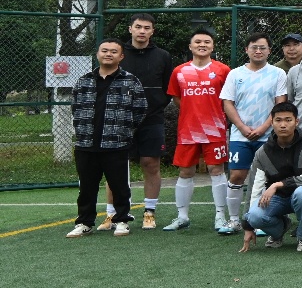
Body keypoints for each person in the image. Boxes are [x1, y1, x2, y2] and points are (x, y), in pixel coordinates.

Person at [66, 38, 148, 239]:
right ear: (97, 54)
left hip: (116, 143)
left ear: (121, 56)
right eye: (104, 50)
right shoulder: (84, 80)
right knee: (86, 188)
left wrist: (124, 131)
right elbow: (75, 108)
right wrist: (82, 131)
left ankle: (121, 221)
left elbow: (140, 109)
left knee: (120, 186)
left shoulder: (131, 81)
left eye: (113, 51)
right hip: (86, 144)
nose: (108, 54)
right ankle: (85, 223)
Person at [101, 13, 173, 231]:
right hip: (119, 120)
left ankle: (149, 212)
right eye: (138, 27)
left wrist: (155, 105)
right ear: (130, 29)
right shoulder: (118, 53)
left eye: (147, 28)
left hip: (152, 119)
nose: (142, 31)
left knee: (150, 163)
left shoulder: (163, 56)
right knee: (115, 166)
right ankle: (112, 213)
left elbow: (167, 89)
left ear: (153, 31)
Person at [163, 29, 234, 232]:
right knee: (185, 171)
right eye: (198, 41)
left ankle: (220, 216)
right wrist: (192, 112)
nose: (202, 45)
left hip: (215, 129)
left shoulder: (223, 70)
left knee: (216, 170)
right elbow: (177, 98)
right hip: (188, 131)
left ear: (212, 46)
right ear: (190, 46)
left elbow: (228, 98)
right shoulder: (179, 71)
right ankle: (182, 217)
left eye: (207, 42)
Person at [221, 33, 288, 234]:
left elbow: (280, 104)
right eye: (254, 47)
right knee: (236, 175)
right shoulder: (235, 74)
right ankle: (234, 220)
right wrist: (242, 127)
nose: (258, 51)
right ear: (246, 50)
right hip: (240, 135)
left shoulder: (278, 73)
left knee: (265, 177)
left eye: (262, 48)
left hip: (268, 136)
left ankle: (260, 220)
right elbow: (227, 103)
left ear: (269, 51)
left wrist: (263, 128)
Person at [237, 102, 302, 252]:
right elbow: (254, 188)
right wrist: (248, 226)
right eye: (278, 120)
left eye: (288, 120)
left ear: (296, 122)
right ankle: (280, 229)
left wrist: (278, 184)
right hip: (278, 199)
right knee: (254, 216)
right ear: (272, 122)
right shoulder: (263, 152)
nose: (283, 125)